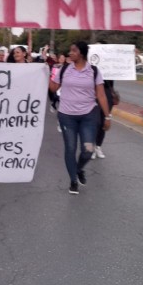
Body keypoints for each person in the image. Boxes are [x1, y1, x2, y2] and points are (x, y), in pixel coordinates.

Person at [49, 41, 111, 195]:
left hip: (88, 116)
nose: (70, 53)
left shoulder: (94, 71)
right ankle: (73, 181)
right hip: (66, 116)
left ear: (81, 54)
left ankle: (79, 169)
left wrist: (108, 116)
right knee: (70, 148)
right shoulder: (64, 69)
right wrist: (48, 73)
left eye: (73, 51)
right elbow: (53, 88)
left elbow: (101, 95)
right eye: (70, 51)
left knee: (88, 150)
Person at [92, 80, 116, 158]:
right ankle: (92, 147)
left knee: (103, 123)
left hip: (107, 94)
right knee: (95, 123)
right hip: (94, 93)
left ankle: (98, 146)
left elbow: (111, 84)